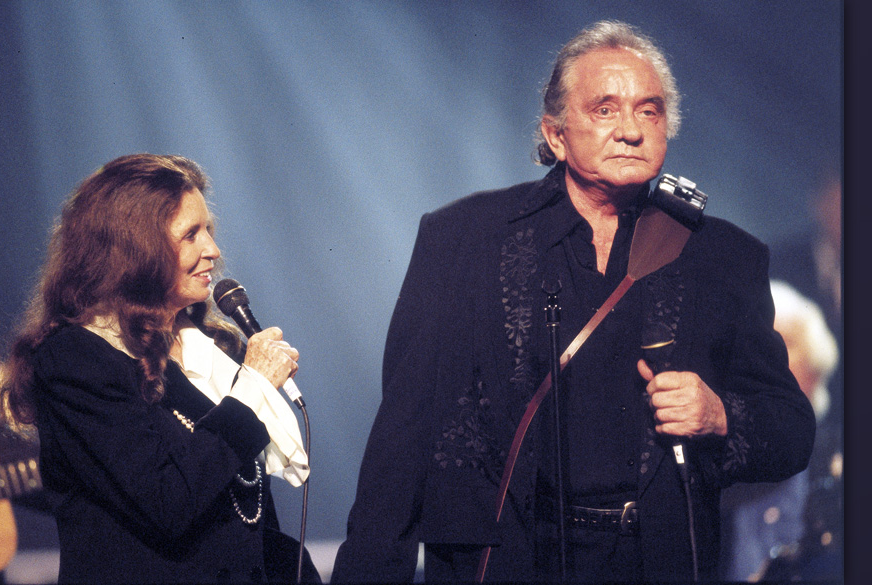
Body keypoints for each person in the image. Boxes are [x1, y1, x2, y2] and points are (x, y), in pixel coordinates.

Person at [331, 20, 815, 582]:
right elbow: (401, 443)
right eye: (605, 110)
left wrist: (720, 415)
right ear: (555, 134)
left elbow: (791, 430)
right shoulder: (465, 240)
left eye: (649, 111)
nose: (631, 130)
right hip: (506, 563)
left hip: (655, 563)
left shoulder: (725, 258)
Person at [0, 153, 319, 584]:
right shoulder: (75, 360)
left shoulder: (208, 350)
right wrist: (254, 386)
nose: (213, 250)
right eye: (190, 235)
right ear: (136, 249)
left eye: (209, 229)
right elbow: (168, 500)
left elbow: (246, 505)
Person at [719, 280, 839, 581]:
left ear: (814, 367)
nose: (770, 361)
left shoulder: (840, 457)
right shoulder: (720, 474)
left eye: (785, 344)